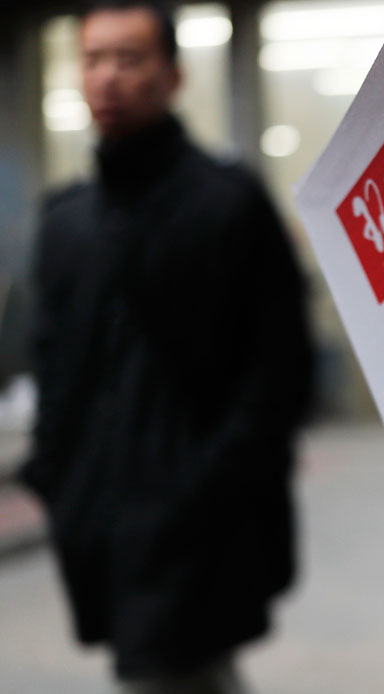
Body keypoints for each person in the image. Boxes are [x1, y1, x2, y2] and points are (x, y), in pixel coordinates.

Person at [18, 1, 316, 690]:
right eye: (93, 59)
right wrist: (58, 480)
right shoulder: (66, 223)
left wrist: (195, 492)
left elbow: (277, 376)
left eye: (130, 58)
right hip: (100, 517)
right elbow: (54, 364)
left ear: (173, 76)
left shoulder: (226, 204)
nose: (108, 78)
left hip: (196, 522)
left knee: (176, 671)